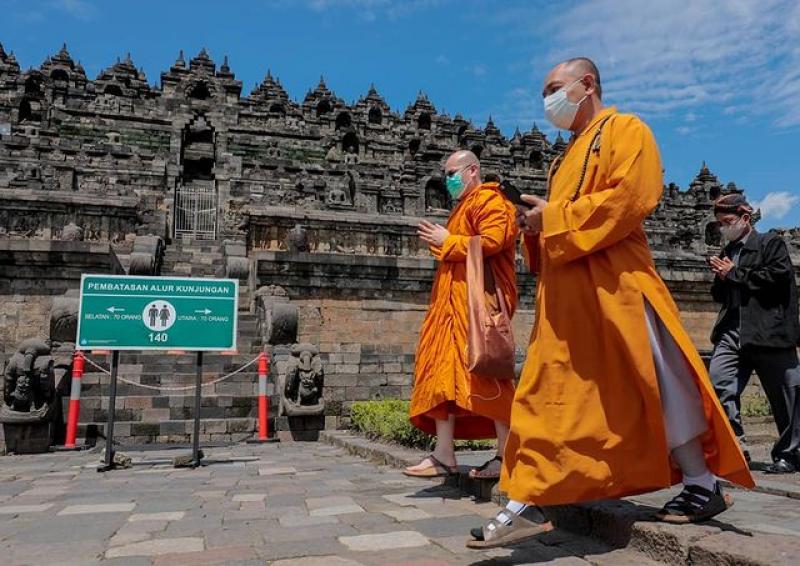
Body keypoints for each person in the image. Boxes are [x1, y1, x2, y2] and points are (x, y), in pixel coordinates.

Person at [468, 58, 753, 548]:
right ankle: (527, 497)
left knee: (660, 383)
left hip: (617, 283)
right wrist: (536, 222)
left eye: (555, 88)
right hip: (566, 297)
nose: (548, 101)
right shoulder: (563, 158)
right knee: (547, 390)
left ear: (587, 84)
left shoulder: (625, 130)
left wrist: (552, 217)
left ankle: (699, 482)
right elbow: (562, 221)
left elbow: (632, 198)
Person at [404, 150, 519, 480]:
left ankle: (506, 455)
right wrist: (446, 240)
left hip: (478, 307)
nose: (448, 179)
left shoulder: (491, 201)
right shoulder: (463, 208)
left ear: (472, 171)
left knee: (488, 371)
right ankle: (444, 454)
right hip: (450, 309)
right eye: (445, 174)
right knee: (442, 376)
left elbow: (494, 240)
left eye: (453, 172)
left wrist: (448, 240)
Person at [709, 193, 800, 474]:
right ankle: (735, 447)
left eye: (728, 222)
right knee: (719, 384)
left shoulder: (769, 243)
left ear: (745, 219)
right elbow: (719, 293)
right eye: (720, 224)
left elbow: (778, 278)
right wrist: (723, 276)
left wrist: (735, 274)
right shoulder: (727, 252)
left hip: (768, 331)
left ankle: (789, 454)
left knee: (787, 394)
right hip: (733, 331)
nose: (724, 228)